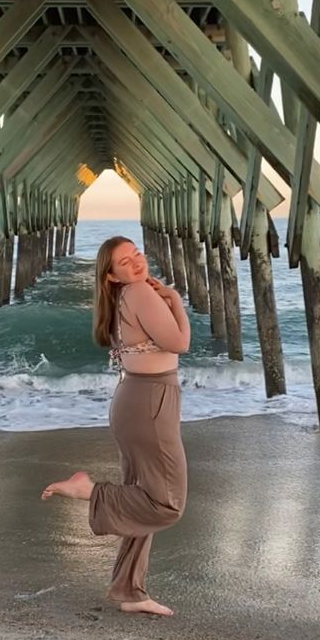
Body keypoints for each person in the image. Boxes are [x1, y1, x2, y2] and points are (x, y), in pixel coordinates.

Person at [42, 236, 190, 616]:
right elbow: (179, 342)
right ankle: (88, 491)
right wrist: (173, 299)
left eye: (137, 254)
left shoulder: (121, 299)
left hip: (135, 401)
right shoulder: (140, 292)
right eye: (125, 262)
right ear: (111, 276)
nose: (137, 264)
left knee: (140, 498)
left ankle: (129, 590)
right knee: (167, 503)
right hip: (150, 403)